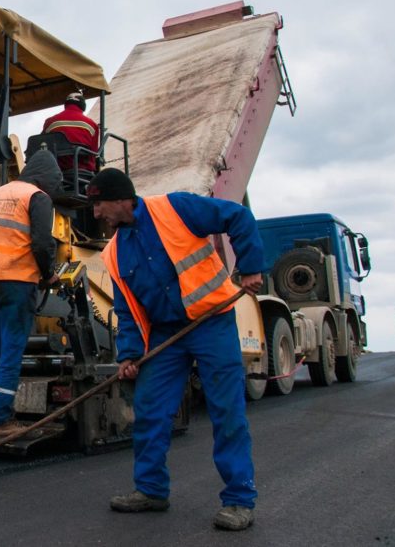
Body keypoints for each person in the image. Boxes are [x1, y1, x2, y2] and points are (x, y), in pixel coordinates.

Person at [88, 168, 265, 531]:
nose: (95, 213)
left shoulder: (175, 208)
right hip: (166, 336)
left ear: (122, 200)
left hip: (211, 322)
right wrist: (129, 354)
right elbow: (127, 309)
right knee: (150, 410)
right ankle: (151, 490)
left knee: (226, 411)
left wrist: (249, 267)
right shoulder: (114, 254)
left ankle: (239, 500)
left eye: (99, 204)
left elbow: (237, 216)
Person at [0, 150, 62, 440]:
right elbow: (41, 242)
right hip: (19, 281)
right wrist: (49, 273)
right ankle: (1, 420)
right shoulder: (38, 197)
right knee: (11, 350)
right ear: (47, 178)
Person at [40, 91, 100, 173]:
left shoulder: (49, 122)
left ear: (66, 104)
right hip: (82, 171)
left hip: (55, 169)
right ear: (83, 106)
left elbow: (42, 144)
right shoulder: (92, 125)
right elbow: (94, 153)